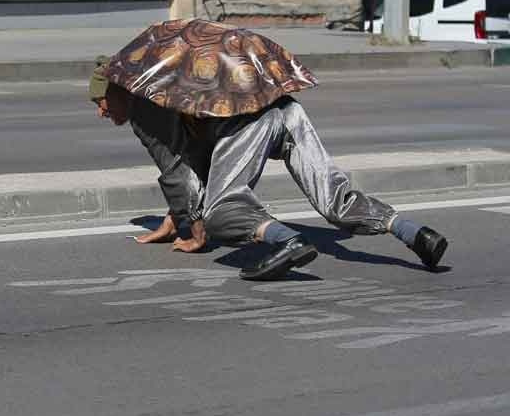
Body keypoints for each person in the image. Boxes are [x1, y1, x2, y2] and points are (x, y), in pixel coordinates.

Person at [89, 58, 449, 281]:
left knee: (221, 212)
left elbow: (176, 172)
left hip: (249, 123)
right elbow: (185, 163)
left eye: (100, 101)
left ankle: (288, 242)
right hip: (285, 109)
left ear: (120, 91)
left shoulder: (144, 108)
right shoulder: (164, 87)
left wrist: (197, 233)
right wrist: (175, 216)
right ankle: (415, 233)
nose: (100, 111)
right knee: (335, 200)